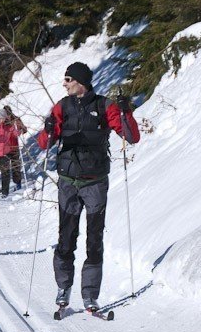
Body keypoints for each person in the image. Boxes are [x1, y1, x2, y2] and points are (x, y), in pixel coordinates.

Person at [37, 62, 140, 312]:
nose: (65, 83)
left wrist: (127, 113)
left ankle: (90, 295)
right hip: (68, 181)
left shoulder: (105, 106)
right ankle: (64, 287)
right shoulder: (62, 106)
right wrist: (48, 129)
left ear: (81, 81)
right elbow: (44, 144)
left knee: (94, 241)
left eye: (68, 79)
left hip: (95, 182)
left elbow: (132, 137)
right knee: (66, 239)